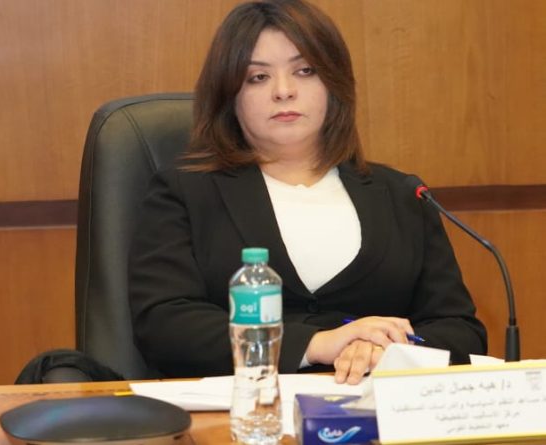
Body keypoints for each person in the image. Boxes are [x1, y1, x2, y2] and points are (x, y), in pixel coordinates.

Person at [128, 0, 486, 384]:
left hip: (376, 408)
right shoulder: (184, 191)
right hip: (241, 408)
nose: (284, 91)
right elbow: (164, 325)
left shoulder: (403, 194)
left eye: (305, 71)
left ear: (334, 83)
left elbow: (461, 330)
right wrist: (313, 344)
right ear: (228, 96)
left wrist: (390, 350)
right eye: (258, 77)